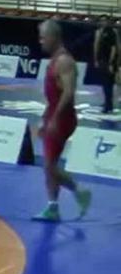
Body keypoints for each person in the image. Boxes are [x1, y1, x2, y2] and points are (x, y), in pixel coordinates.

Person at [34, 20, 91, 222]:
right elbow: (53, 95)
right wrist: (45, 118)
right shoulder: (55, 60)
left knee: (49, 165)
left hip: (63, 118)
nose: (40, 41)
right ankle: (53, 206)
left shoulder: (65, 61)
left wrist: (55, 119)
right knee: (50, 163)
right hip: (54, 115)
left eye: (43, 37)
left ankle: (79, 191)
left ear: (54, 37)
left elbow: (68, 92)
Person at [92, 16, 118, 114]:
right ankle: (107, 103)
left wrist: (111, 62)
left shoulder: (111, 32)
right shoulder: (99, 32)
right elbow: (96, 46)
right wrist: (96, 59)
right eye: (101, 21)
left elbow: (114, 48)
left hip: (108, 61)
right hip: (102, 60)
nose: (103, 22)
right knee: (105, 84)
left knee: (108, 84)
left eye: (105, 21)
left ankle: (108, 105)